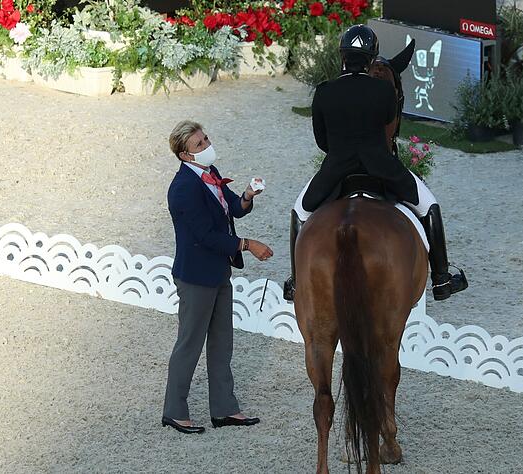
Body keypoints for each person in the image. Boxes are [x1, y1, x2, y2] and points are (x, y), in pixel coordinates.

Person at [283, 24, 467, 303]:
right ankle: (441, 278)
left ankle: (296, 284)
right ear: (371, 59)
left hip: (336, 170)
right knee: (429, 206)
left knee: (299, 213)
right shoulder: (383, 91)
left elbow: (323, 142)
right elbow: (387, 126)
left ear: (341, 55)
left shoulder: (324, 92)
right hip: (380, 166)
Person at [162, 120, 273, 434]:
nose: (206, 145)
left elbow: (233, 209)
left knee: (223, 343)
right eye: (199, 144)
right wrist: (249, 245)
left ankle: (224, 409)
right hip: (196, 276)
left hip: (219, 270)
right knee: (190, 343)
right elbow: (206, 235)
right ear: (185, 155)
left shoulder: (210, 173)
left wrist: (249, 195)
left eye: (205, 138)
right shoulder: (183, 187)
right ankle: (174, 410)